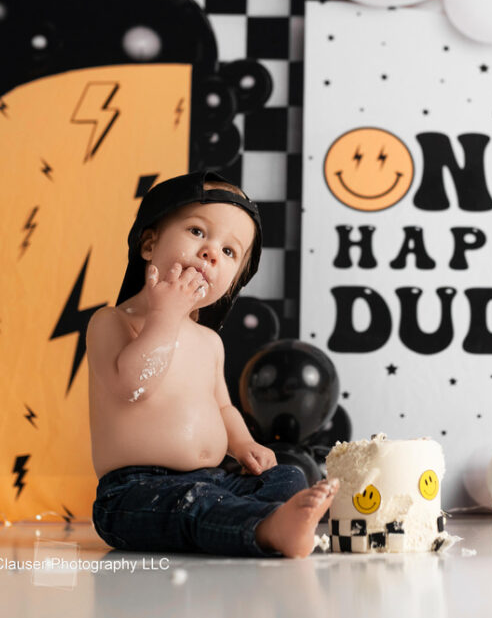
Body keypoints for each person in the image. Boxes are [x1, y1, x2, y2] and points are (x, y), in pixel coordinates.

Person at [87, 171, 338, 558]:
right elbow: (132, 386)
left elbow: (223, 407)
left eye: (229, 252)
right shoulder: (111, 322)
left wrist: (244, 443)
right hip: (133, 492)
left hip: (214, 480)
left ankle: (271, 520)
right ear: (149, 244)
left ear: (233, 282)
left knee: (287, 474)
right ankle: (266, 528)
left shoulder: (209, 342)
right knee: (193, 503)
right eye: (197, 232)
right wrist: (165, 317)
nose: (210, 253)